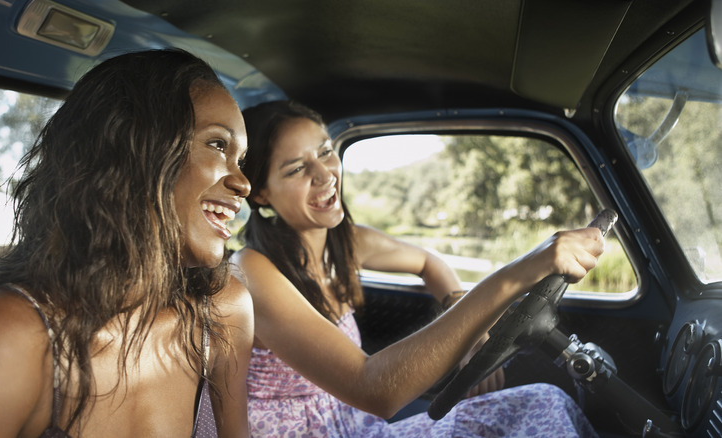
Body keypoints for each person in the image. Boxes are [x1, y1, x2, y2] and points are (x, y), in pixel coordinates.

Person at [232, 99, 604, 437]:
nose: (325, 173)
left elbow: (430, 262)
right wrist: (513, 276)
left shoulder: (346, 243)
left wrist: (473, 335)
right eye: (297, 168)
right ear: (260, 193)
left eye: (326, 152)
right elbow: (374, 388)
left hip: (357, 427)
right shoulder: (251, 269)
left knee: (542, 401)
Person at [0, 49, 253, 437]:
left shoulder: (223, 311)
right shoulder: (1, 334)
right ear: (133, 146)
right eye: (219, 145)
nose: (243, 183)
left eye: (241, 158)